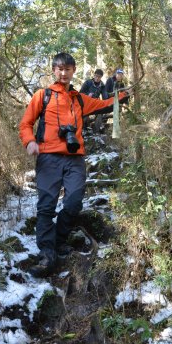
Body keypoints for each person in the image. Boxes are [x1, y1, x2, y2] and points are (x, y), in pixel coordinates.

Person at [19, 53, 129, 277]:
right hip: (48, 157)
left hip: (75, 157)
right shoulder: (43, 96)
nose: (63, 72)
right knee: (47, 206)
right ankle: (47, 253)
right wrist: (30, 142)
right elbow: (26, 123)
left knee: (73, 202)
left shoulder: (79, 99)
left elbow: (104, 104)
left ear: (74, 71)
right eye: (59, 68)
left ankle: (59, 239)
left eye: (67, 69)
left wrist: (125, 95)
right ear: (53, 70)